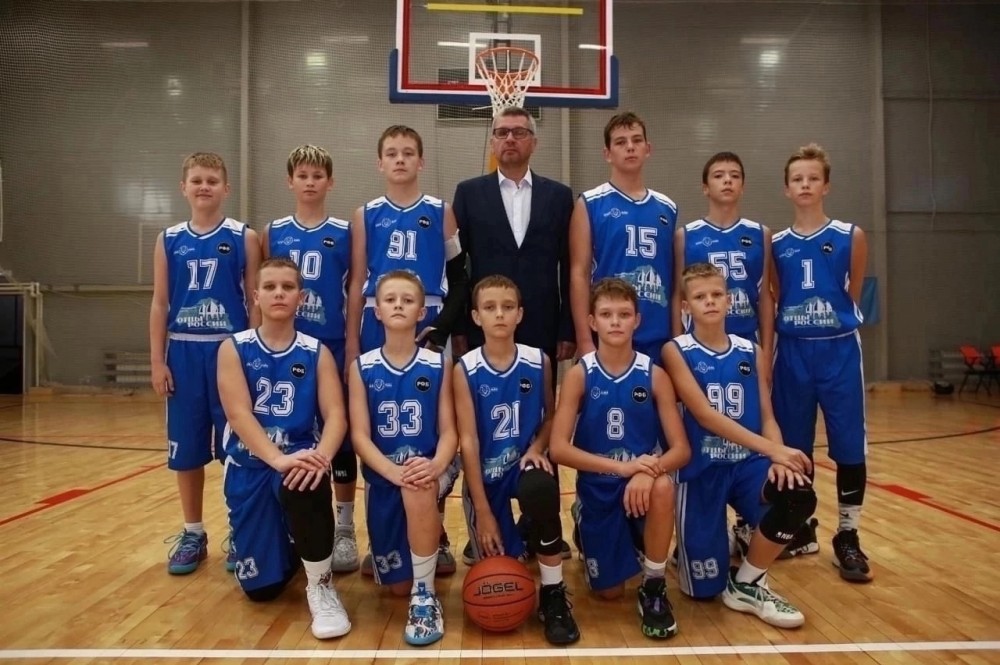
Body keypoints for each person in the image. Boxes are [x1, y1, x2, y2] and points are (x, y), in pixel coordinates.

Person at [452, 106, 575, 558]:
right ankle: (483, 522)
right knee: (485, 426)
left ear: (533, 143)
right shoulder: (469, 193)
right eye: (501, 132)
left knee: (540, 418)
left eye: (519, 133)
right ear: (492, 141)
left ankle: (541, 524)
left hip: (541, 322)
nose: (509, 139)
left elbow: (569, 265)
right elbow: (458, 269)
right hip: (486, 325)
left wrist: (567, 324)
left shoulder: (559, 196)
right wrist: (462, 325)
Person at [663, 262, 815, 628]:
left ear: (729, 301)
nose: (710, 301)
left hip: (747, 466)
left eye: (717, 294)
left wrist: (777, 457)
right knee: (701, 592)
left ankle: (747, 581)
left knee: (797, 492)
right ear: (685, 306)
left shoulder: (751, 350)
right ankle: (699, 548)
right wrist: (774, 450)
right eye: (700, 296)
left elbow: (767, 415)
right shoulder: (676, 350)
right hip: (701, 470)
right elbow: (704, 415)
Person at [346, 125, 466, 574]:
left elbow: (461, 277)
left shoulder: (441, 211)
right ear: (380, 162)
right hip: (377, 319)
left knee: (431, 429)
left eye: (408, 152)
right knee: (379, 428)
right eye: (392, 153)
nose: (400, 159)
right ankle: (382, 538)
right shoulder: (365, 215)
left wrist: (444, 328)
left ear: (421, 161)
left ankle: (438, 533)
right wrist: (353, 341)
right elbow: (357, 281)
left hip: (428, 320)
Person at [216, 257, 351, 639]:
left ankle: (321, 585)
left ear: (301, 297)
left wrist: (321, 458)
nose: (279, 293)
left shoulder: (316, 352)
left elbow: (336, 415)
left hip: (298, 458)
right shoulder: (234, 348)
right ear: (255, 296)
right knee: (262, 591)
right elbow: (239, 414)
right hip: (251, 466)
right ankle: (291, 542)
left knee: (306, 478)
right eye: (270, 287)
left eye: (288, 287)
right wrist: (277, 459)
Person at [549, 278, 691, 640]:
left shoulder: (655, 375)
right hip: (599, 489)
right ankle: (586, 526)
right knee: (609, 593)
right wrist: (623, 467)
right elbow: (558, 448)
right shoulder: (580, 375)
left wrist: (649, 471)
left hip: (641, 487)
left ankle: (654, 585)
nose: (615, 321)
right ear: (592, 322)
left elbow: (681, 449)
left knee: (663, 487)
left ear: (637, 321)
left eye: (624, 314)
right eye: (606, 314)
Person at [149, 152, 261, 575]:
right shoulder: (168, 239)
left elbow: (255, 300)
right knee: (187, 449)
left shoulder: (244, 237)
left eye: (212, 180)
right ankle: (193, 532)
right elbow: (160, 303)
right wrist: (157, 360)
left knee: (240, 448)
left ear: (226, 189)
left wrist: (253, 354)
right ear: (183, 187)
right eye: (196, 180)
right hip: (183, 351)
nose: (204, 187)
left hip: (229, 350)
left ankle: (241, 530)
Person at [454, 275, 579, 645]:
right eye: (490, 307)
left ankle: (553, 593)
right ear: (476, 316)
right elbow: (468, 441)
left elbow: (551, 417)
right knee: (502, 572)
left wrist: (537, 447)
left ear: (520, 314)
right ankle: (521, 530)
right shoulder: (465, 369)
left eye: (507, 307)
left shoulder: (538, 361)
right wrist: (483, 511)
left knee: (541, 486)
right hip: (485, 477)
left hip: (523, 466)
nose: (499, 314)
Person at [770, 143, 872, 582]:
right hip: (793, 351)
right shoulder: (776, 244)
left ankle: (847, 534)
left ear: (826, 185)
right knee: (793, 445)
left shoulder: (851, 235)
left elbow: (852, 294)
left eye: (813, 178)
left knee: (848, 443)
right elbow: (777, 296)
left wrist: (829, 319)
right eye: (797, 179)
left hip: (838, 349)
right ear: (787, 189)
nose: (805, 185)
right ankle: (800, 525)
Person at [671, 151, 776, 555]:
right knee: (703, 437)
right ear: (705, 186)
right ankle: (699, 526)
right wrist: (676, 345)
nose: (727, 181)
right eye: (718, 175)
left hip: (745, 346)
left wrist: (768, 348)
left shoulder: (761, 233)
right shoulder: (687, 235)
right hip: (697, 348)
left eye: (735, 175)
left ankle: (748, 523)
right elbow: (678, 295)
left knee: (748, 433)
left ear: (743, 185)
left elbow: (765, 297)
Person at [347, 270, 458, 646]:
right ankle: (414, 562)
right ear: (377, 311)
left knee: (418, 486)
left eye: (408, 300)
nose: (398, 305)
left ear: (421, 313)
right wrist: (393, 472)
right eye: (390, 299)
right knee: (396, 587)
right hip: (385, 473)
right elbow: (360, 437)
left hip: (430, 469)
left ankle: (425, 596)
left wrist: (436, 466)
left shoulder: (438, 364)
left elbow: (450, 433)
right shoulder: (362, 367)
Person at [261, 145, 358, 573]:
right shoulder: (273, 232)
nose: (310, 182)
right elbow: (262, 292)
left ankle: (345, 527)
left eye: (318, 175)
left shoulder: (345, 231)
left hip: (330, 343)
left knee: (341, 436)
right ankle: (274, 523)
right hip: (284, 348)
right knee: (285, 429)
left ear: (330, 182)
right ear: (290, 181)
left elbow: (355, 289)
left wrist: (351, 345)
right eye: (302, 175)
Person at [570, 112, 677, 363]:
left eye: (636, 140)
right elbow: (579, 274)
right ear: (607, 153)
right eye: (620, 142)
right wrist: (584, 340)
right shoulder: (590, 203)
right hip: (606, 336)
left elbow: (673, 280)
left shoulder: (667, 207)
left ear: (648, 149)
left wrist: (676, 337)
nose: (630, 147)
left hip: (657, 336)